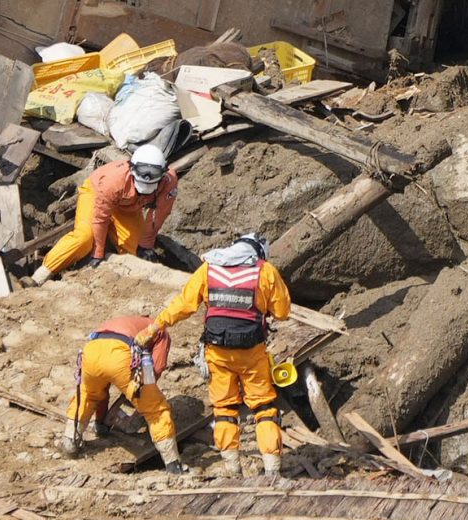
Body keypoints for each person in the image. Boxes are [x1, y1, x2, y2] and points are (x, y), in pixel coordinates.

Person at [136, 233, 291, 477]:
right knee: (263, 407)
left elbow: (183, 305)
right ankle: (272, 471)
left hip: (217, 351)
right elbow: (282, 312)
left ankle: (233, 469)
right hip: (252, 352)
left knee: (224, 408)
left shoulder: (209, 270)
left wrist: (155, 327)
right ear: (258, 252)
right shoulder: (266, 271)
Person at [29, 144, 178, 285]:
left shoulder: (169, 182)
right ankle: (41, 275)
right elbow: (100, 218)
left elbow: (158, 215)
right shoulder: (113, 182)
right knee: (84, 238)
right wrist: (98, 253)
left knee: (136, 251)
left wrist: (146, 246)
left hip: (129, 206)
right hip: (96, 193)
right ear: (132, 170)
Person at [60, 315, 185, 474]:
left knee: (89, 394)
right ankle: (174, 464)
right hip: (119, 355)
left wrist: (101, 422)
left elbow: (102, 388)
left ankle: (70, 441)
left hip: (90, 352)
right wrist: (140, 392)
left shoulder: (120, 322)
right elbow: (157, 367)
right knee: (155, 409)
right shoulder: (159, 329)